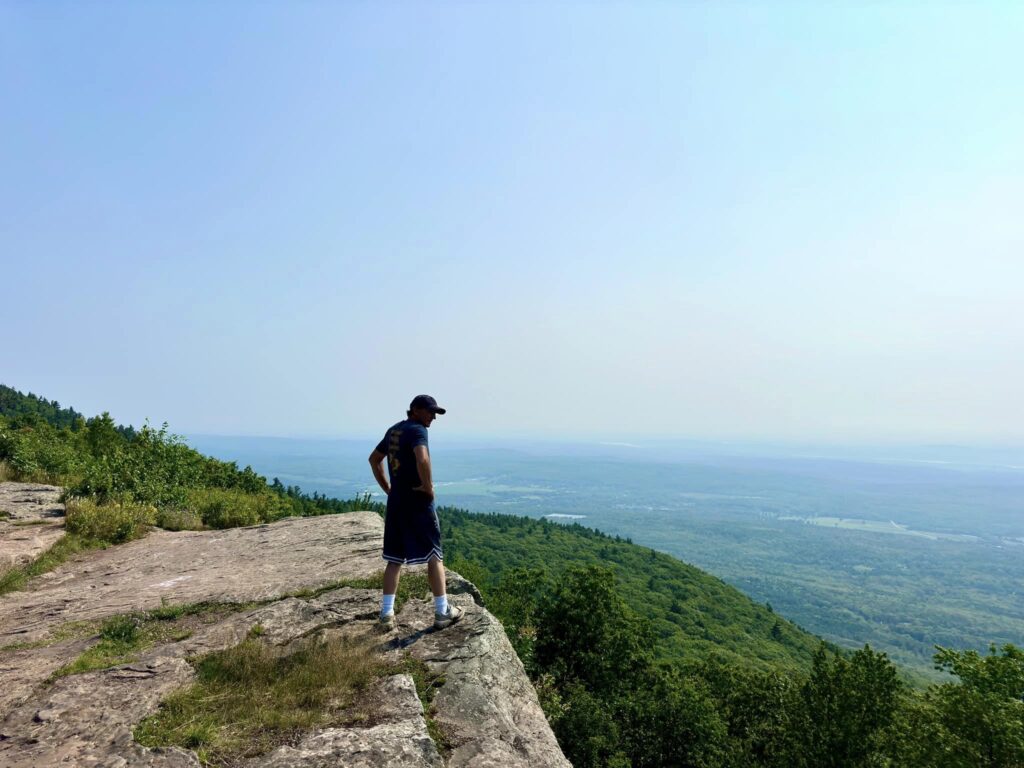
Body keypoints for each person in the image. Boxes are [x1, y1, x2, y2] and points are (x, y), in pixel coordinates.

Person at [368, 394, 464, 631]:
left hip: (397, 503)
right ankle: (442, 611)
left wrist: (389, 489)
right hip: (417, 503)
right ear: (416, 410)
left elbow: (374, 459)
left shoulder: (394, 430)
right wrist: (428, 487)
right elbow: (422, 459)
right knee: (434, 555)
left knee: (394, 559)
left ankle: (386, 615)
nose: (433, 417)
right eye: (430, 412)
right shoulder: (418, 430)